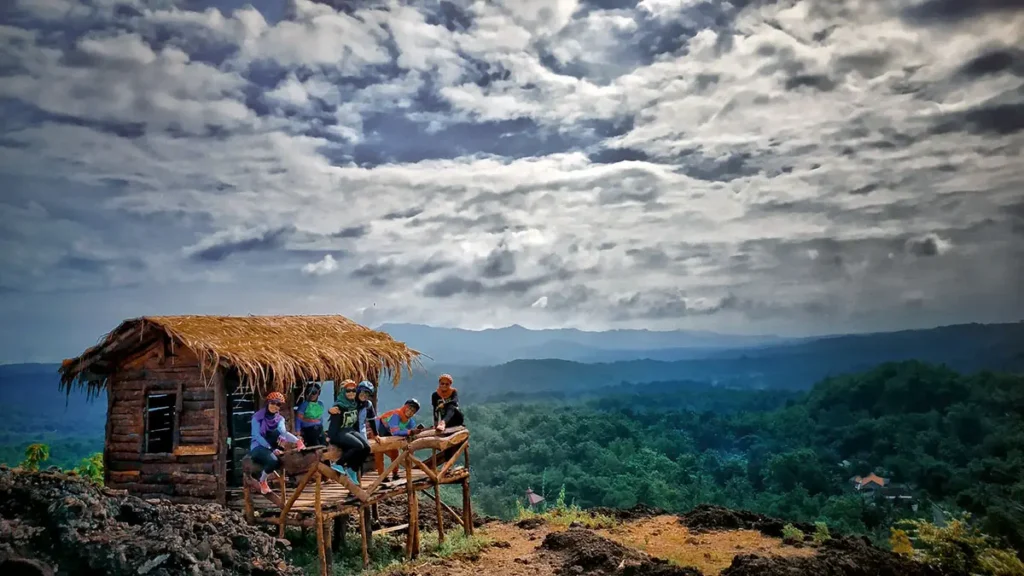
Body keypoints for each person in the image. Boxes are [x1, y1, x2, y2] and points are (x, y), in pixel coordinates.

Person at [250, 391, 304, 494]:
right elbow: (257, 436)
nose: (275, 406)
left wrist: (297, 441)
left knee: (283, 458)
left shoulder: (280, 419)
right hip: (258, 447)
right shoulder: (257, 417)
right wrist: (271, 449)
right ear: (268, 403)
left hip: (272, 446)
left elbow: (283, 431)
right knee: (273, 461)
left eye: (278, 404)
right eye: (273, 403)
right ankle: (262, 481)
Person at [327, 380, 377, 484]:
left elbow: (371, 420)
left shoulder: (354, 404)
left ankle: (352, 470)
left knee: (366, 448)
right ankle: (338, 464)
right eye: (348, 391)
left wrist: (376, 435)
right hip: (339, 432)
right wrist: (330, 410)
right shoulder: (340, 405)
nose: (351, 393)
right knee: (358, 446)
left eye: (353, 391)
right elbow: (334, 415)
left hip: (350, 431)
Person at [374, 399, 423, 481]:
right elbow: (395, 432)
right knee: (379, 454)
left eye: (413, 411)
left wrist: (415, 432)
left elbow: (410, 431)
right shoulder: (396, 415)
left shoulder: (410, 421)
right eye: (409, 408)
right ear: (405, 407)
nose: (410, 411)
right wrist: (409, 432)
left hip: (389, 434)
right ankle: (382, 476)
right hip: (378, 430)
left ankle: (395, 473)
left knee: (395, 453)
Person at [429, 374, 464, 468]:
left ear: (450, 385)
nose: (444, 386)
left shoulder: (453, 392)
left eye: (446, 384)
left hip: (456, 418)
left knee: (451, 407)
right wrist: (435, 424)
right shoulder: (435, 395)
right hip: (446, 422)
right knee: (447, 442)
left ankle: (443, 422)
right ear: (439, 384)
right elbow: (435, 410)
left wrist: (444, 405)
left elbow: (454, 401)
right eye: (442, 383)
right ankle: (447, 464)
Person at [294, 383, 326, 447]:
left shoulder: (320, 404)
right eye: (309, 392)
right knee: (316, 445)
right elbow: (298, 419)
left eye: (314, 392)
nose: (311, 395)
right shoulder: (304, 405)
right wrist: (298, 432)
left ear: (318, 393)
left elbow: (320, 418)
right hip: (309, 430)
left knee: (324, 444)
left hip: (319, 429)